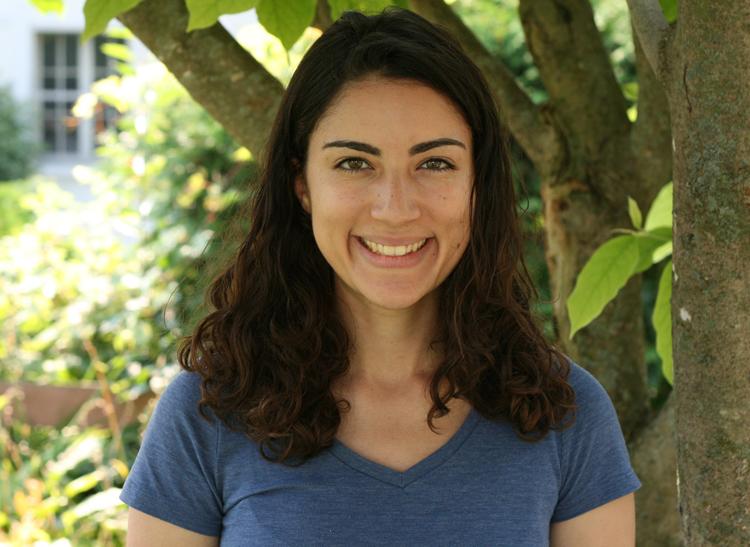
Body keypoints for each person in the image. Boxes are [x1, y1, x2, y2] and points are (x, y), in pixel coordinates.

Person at [119, 7, 641, 546]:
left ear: (475, 185)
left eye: (435, 163)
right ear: (302, 186)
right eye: (354, 163)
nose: (395, 208)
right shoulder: (208, 413)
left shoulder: (565, 413)